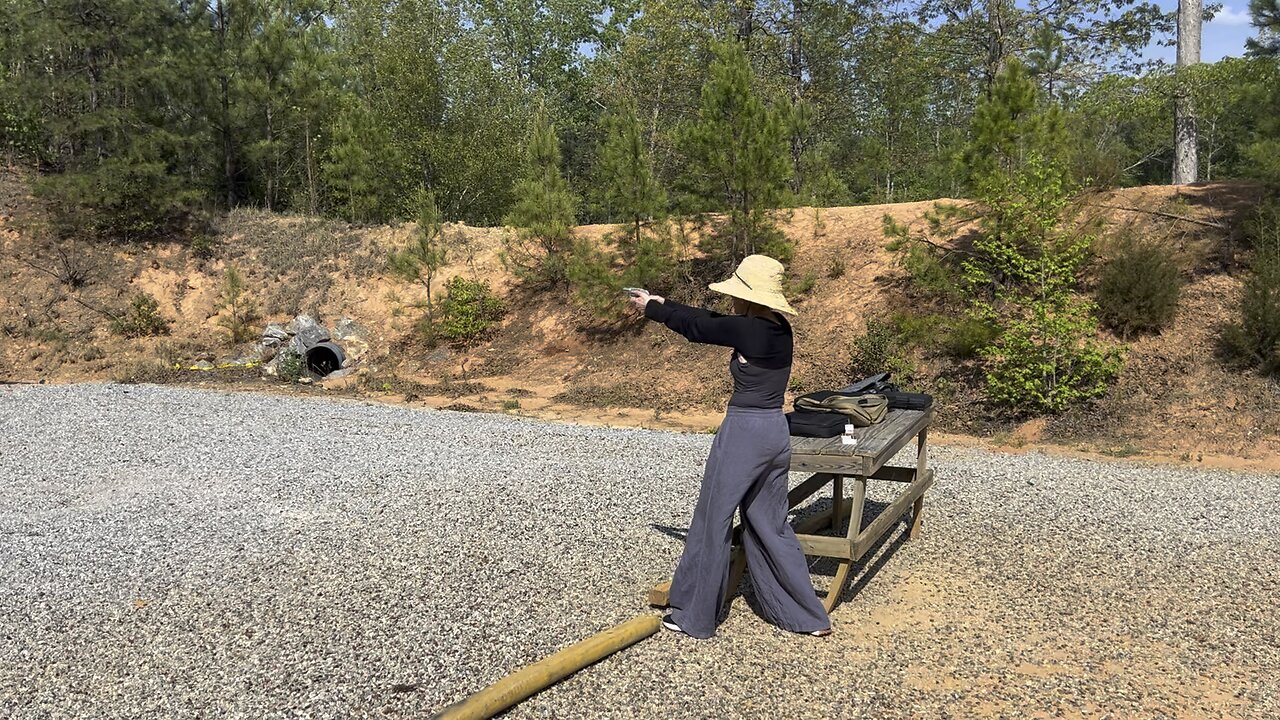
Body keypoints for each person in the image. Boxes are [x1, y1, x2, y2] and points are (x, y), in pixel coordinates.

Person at [628, 254, 832, 639]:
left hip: (744, 435)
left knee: (712, 521)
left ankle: (696, 616)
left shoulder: (750, 331)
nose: (731, 300)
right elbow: (711, 320)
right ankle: (808, 617)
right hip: (775, 432)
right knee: (772, 525)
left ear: (749, 296)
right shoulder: (778, 328)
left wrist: (655, 311)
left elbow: (699, 326)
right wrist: (661, 302)